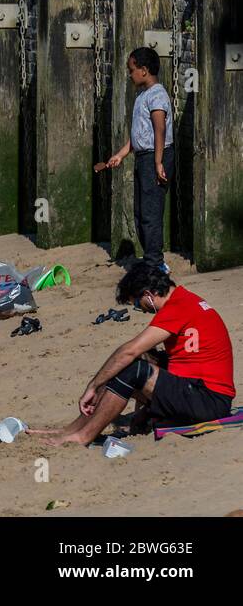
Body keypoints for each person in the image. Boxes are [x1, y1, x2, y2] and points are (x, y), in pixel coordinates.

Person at [34, 265, 234, 445]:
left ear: (148, 294)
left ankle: (83, 436)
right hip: (198, 390)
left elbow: (128, 350)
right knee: (136, 361)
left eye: (138, 304)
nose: (141, 310)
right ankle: (71, 430)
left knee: (132, 367)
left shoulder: (177, 306)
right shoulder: (184, 299)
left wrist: (92, 386)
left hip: (208, 400)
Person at [94, 47, 173, 272]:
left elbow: (159, 129)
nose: (130, 74)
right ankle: (153, 259)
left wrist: (158, 163)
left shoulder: (157, 95)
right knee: (140, 214)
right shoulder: (142, 95)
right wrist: (120, 155)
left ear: (144, 70)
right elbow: (139, 133)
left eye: (132, 70)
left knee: (150, 213)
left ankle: (155, 264)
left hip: (156, 157)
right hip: (144, 157)